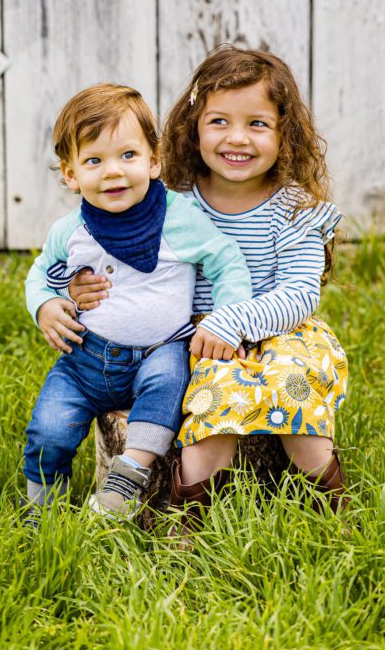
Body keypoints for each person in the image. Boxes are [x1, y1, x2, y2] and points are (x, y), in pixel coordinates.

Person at [68, 46, 349, 525]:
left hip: (285, 333)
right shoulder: (170, 205)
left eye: (257, 124)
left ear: (286, 134)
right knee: (214, 406)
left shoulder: (296, 208)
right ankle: (189, 525)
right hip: (196, 337)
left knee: (294, 392)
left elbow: (301, 293)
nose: (236, 138)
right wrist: (80, 286)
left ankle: (334, 512)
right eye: (219, 121)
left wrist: (233, 318)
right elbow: (120, 260)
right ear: (192, 125)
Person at [23, 82, 251, 522]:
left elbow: (226, 260)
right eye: (94, 161)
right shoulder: (70, 231)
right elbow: (41, 273)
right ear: (70, 174)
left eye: (128, 156)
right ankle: (41, 506)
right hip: (85, 356)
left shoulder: (178, 219)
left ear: (154, 159)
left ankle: (128, 475)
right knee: (49, 427)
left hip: (159, 348)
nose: (113, 172)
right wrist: (46, 306)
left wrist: (230, 318)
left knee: (166, 385)